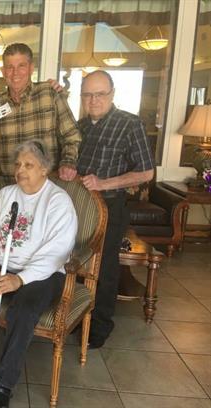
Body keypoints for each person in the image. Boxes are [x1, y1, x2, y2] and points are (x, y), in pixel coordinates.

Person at [0, 140, 77, 408]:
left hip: (43, 275)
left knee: (24, 310)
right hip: (1, 267)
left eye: (29, 165)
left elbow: (57, 252)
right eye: (18, 164)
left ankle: (3, 387)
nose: (20, 170)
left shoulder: (58, 201)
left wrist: (19, 279)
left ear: (44, 169)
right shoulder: (6, 195)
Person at [77, 70, 154, 349]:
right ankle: (78, 318)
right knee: (77, 263)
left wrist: (104, 183)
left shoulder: (129, 124)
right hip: (79, 208)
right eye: (88, 94)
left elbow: (146, 172)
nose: (94, 100)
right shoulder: (80, 127)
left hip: (109, 207)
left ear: (112, 94)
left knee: (104, 268)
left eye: (100, 94)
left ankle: (99, 327)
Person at [0, 43, 81, 213]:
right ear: (3, 71)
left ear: (31, 68)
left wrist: (68, 161)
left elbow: (71, 135)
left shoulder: (49, 94)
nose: (15, 73)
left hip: (46, 192)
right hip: (7, 192)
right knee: (8, 231)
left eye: (21, 66)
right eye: (10, 67)